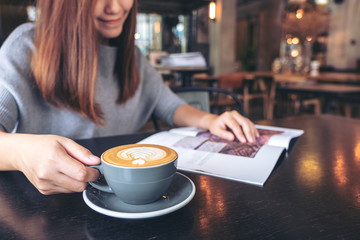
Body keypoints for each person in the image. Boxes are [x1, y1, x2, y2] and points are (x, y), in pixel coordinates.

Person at [0, 0, 259, 195]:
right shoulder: (26, 45)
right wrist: (22, 153)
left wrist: (211, 120)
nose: (115, 7)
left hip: (126, 196)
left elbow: (169, 105)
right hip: (42, 208)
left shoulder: (133, 57)